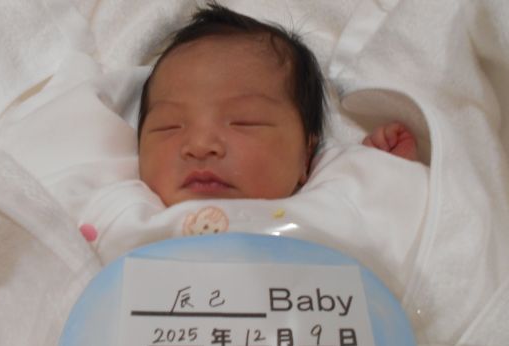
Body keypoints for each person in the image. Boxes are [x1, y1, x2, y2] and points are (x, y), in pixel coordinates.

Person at [136, 3, 418, 207]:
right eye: (168, 127)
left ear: (306, 157)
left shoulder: (322, 207)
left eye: (244, 122)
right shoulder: (131, 207)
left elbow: (378, 216)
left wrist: (382, 171)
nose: (200, 145)